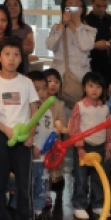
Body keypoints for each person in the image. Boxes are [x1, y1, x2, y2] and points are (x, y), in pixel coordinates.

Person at [0, 37, 39, 220]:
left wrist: (30, 135)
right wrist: (6, 130)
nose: (12, 59)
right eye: (7, 54)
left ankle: (26, 219)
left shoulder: (26, 83)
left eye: (16, 55)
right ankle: (0, 219)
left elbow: (34, 111)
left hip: (24, 139)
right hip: (2, 137)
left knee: (24, 184)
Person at [68, 72, 111, 220]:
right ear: (84, 87)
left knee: (98, 177)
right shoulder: (79, 106)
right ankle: (79, 205)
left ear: (103, 90)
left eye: (98, 87)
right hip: (84, 146)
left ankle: (98, 204)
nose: (94, 90)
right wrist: (80, 147)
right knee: (81, 177)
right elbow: (74, 128)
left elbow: (108, 129)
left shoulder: (105, 108)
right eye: (91, 86)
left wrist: (108, 146)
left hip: (100, 146)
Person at [46, 0, 97, 103]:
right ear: (64, 9)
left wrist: (78, 23)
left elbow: (86, 46)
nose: (73, 8)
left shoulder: (89, 29)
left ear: (82, 9)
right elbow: (50, 46)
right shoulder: (57, 28)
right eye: (70, 5)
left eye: (77, 5)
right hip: (59, 76)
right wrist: (62, 25)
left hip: (80, 77)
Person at [27, 71, 54, 220]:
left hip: (46, 158)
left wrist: (53, 145)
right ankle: (28, 210)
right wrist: (34, 147)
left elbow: (49, 132)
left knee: (43, 185)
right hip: (32, 158)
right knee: (30, 184)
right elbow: (28, 132)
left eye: (44, 88)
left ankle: (38, 210)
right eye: (37, 89)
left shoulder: (48, 111)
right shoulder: (28, 111)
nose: (42, 93)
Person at [85, 0, 111, 93]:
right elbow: (77, 47)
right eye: (98, 6)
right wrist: (94, 45)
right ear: (92, 2)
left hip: (110, 69)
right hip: (90, 68)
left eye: (105, 6)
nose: (102, 9)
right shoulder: (85, 22)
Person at [44, 68, 67, 201]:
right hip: (41, 142)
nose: (53, 84)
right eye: (49, 81)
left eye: (56, 81)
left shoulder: (60, 104)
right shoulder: (38, 103)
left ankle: (48, 196)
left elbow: (62, 124)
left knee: (52, 170)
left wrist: (59, 126)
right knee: (42, 171)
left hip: (54, 144)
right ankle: (43, 195)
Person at [4, 0, 35, 74]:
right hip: (3, 69)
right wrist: (21, 44)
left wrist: (7, 48)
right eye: (9, 5)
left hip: (23, 69)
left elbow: (29, 49)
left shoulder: (26, 28)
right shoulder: (1, 28)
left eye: (15, 5)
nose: (12, 8)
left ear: (20, 8)